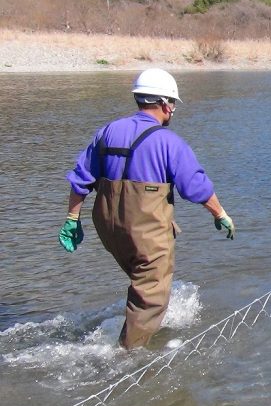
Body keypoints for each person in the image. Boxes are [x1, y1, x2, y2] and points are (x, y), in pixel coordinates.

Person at [59, 68, 235, 349]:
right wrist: (220, 214)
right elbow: (195, 187)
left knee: (144, 282)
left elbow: (81, 180)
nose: (173, 110)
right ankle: (126, 361)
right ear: (165, 104)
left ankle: (141, 324)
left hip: (109, 230)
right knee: (152, 294)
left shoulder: (107, 132)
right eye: (173, 104)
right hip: (145, 232)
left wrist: (72, 218)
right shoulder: (168, 142)